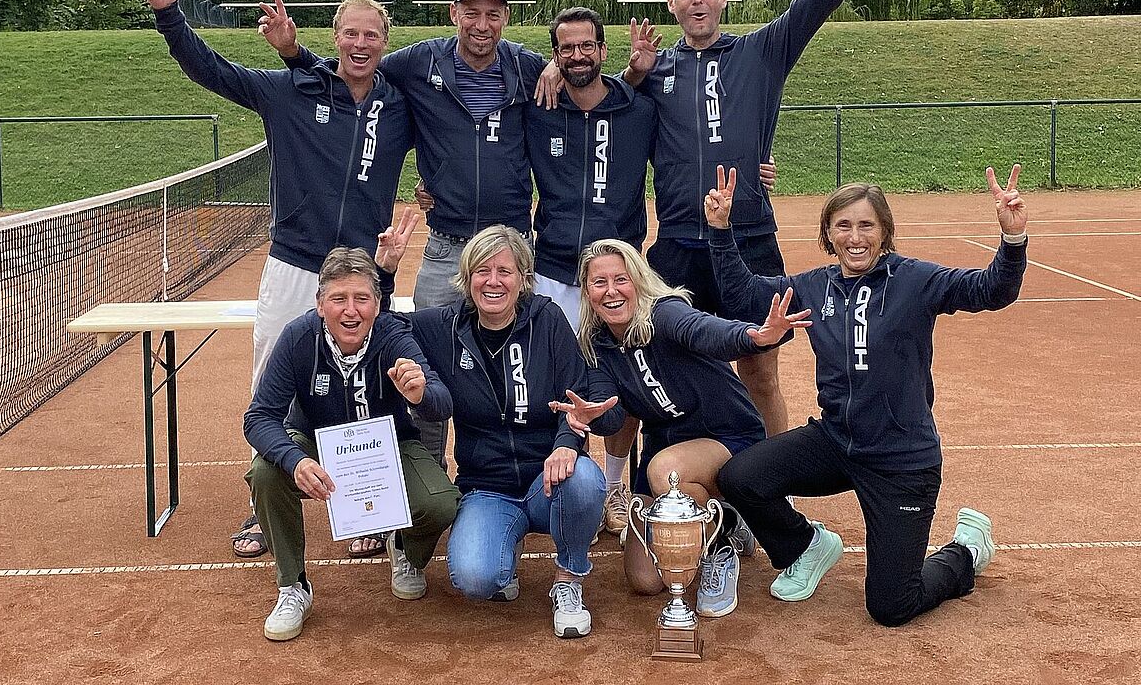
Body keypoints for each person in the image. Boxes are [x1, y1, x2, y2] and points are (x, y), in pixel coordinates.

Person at [132, 0, 414, 560]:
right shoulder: (288, 91)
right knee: (273, 386)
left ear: (385, 42)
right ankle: (266, 503)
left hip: (361, 271)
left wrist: (432, 194)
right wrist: (169, 15)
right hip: (293, 263)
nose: (360, 44)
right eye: (349, 33)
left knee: (363, 387)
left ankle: (361, 507)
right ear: (334, 37)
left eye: (370, 35)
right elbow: (212, 71)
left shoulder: (399, 104)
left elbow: (451, 136)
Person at [620, 0, 904, 439]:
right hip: (677, 245)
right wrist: (628, 73)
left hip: (747, 239)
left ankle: (772, 479)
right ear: (671, 4)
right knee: (654, 367)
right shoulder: (653, 69)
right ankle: (644, 477)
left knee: (760, 371)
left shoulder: (761, 52)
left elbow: (816, 0)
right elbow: (600, 106)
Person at [705, 163, 1028, 625]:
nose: (855, 237)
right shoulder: (813, 286)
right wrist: (720, 230)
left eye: (866, 226)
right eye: (843, 226)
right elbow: (745, 296)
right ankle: (806, 546)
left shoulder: (916, 280)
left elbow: (991, 290)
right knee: (741, 477)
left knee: (892, 606)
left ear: (884, 232)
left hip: (901, 460)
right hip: (837, 442)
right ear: (828, 233)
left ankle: (965, 551)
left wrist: (1012, 239)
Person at [261, 0, 550, 471]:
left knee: (518, 364)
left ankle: (520, 475)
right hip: (445, 246)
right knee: (428, 364)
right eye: (472, 12)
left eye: (493, 14)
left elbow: (583, 77)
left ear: (506, 17)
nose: (482, 24)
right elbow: (354, 70)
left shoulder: (528, 68)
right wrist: (293, 54)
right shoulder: (418, 62)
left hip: (510, 247)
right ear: (453, 13)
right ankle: (428, 480)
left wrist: (557, 71)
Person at [380, 224, 619, 639]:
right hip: (487, 487)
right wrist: (385, 274)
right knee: (476, 578)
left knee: (583, 479)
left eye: (504, 271)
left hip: (548, 481)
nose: (493, 282)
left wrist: (567, 444)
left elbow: (574, 395)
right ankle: (504, 549)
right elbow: (382, 324)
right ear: (467, 277)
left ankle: (569, 579)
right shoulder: (445, 327)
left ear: (523, 278)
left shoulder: (547, 319)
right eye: (482, 271)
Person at [552, 239, 809, 619]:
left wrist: (751, 338)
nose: (611, 291)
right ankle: (729, 518)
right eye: (599, 282)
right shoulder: (595, 345)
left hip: (728, 437)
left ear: (638, 280)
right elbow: (611, 414)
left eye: (620, 279)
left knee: (666, 470)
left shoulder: (665, 313)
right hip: (666, 448)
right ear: (587, 292)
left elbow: (706, 330)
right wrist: (592, 417)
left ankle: (719, 547)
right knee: (644, 579)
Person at [242, 242, 459, 641]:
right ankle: (293, 586)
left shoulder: (393, 336)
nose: (350, 310)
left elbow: (442, 402)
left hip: (388, 447)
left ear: (377, 304)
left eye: (361, 298)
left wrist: (420, 394)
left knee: (441, 503)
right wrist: (294, 459)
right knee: (265, 472)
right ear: (320, 303)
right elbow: (259, 417)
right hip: (315, 447)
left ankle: (404, 548)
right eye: (338, 298)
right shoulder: (297, 338)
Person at [527, 7, 657, 331]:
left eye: (587, 46)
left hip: (617, 275)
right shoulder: (539, 111)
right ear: (555, 56)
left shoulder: (640, 112)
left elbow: (682, 158)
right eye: (567, 48)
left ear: (603, 50)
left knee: (619, 363)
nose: (578, 56)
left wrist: (757, 164)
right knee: (554, 362)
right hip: (552, 274)